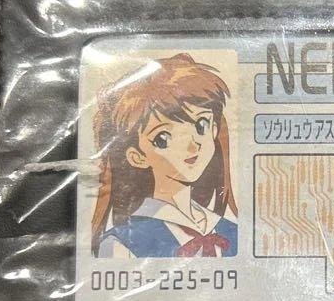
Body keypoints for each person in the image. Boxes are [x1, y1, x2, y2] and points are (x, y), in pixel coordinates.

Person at [91, 53, 238, 258]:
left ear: (214, 129)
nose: (192, 144)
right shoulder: (122, 242)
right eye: (163, 138)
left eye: (201, 125)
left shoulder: (230, 230)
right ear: (137, 156)